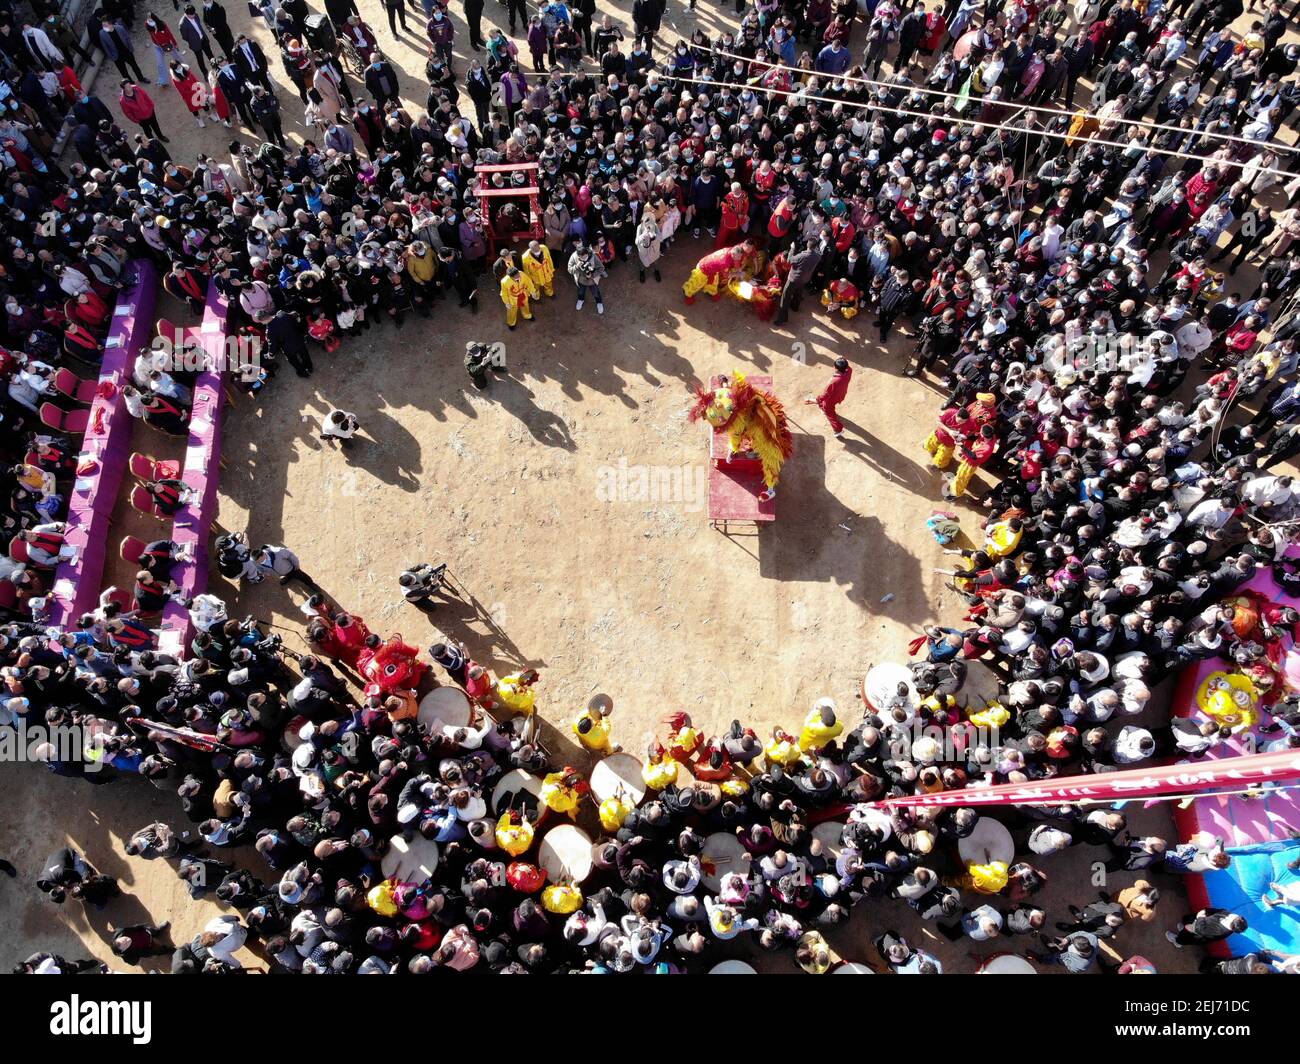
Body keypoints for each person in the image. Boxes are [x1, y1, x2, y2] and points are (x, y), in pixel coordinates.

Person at [806, 358, 853, 439]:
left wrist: (815, 400)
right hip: (840, 395)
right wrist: (843, 360)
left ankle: (838, 430)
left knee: (829, 413)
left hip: (830, 400)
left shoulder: (834, 381)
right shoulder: (848, 372)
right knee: (825, 406)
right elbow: (849, 368)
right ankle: (822, 407)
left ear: (835, 368)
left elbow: (825, 395)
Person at [567, 242, 607, 314]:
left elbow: (601, 268)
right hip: (581, 280)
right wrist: (576, 267)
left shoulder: (593, 256)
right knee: (580, 292)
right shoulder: (574, 256)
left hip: (592, 281)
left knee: (595, 293)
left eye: (586, 256)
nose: (585, 259)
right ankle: (581, 300)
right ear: (578, 256)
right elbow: (570, 270)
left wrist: (592, 275)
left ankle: (599, 303)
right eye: (582, 258)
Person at [499, 264, 538, 329]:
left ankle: (527, 315)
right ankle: (511, 323)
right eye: (516, 276)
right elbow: (504, 293)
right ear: (510, 277)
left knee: (525, 306)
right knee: (512, 312)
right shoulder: (504, 282)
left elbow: (529, 282)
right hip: (512, 299)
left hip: (523, 295)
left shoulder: (521, 274)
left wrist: (532, 291)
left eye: (518, 274)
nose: (518, 277)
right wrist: (506, 302)